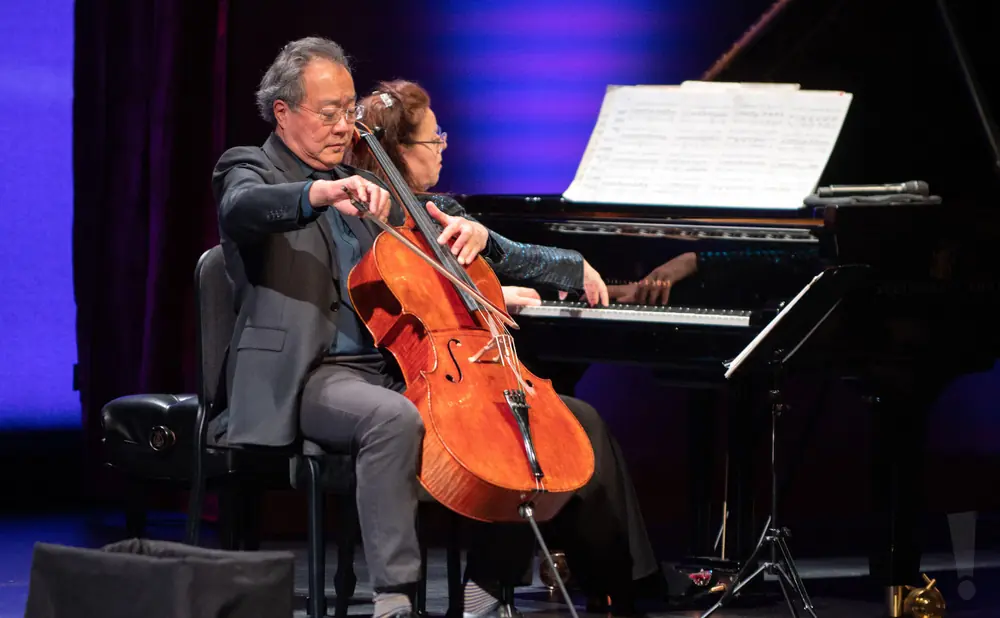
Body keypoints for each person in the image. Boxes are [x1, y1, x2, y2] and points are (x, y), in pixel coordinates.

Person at [212, 38, 657, 618]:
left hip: (390, 367)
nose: (345, 125)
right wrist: (318, 192)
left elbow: (436, 237)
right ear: (283, 112)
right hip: (310, 373)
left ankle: (507, 588)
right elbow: (243, 207)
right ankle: (395, 601)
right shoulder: (249, 166)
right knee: (391, 418)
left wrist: (478, 244)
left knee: (536, 420)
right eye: (330, 113)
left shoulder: (370, 187)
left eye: (350, 110)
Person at [348, 80, 668, 615]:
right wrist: (484, 286)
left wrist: (496, 276)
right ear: (400, 151)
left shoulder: (436, 212)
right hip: (392, 383)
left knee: (553, 422)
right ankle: (612, 587)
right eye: (434, 139)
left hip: (453, 374)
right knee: (550, 429)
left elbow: (507, 257)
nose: (444, 146)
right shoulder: (360, 214)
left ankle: (573, 585)